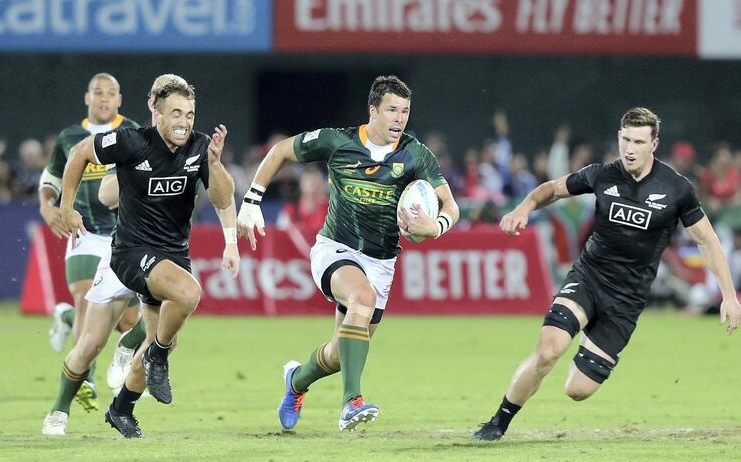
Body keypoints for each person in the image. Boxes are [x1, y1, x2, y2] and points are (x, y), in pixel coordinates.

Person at [471, 107, 741, 442]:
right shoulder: (602, 174)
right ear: (619, 138)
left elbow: (708, 241)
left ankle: (588, 344)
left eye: (639, 142)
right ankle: (497, 422)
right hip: (589, 277)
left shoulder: (677, 189)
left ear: (653, 144)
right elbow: (553, 189)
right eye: (626, 139)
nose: (630, 148)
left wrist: (729, 296)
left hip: (627, 299)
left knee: (577, 390)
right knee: (549, 350)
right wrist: (523, 208)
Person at [237, 75, 460, 433]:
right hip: (335, 249)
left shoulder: (417, 155)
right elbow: (279, 151)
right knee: (362, 298)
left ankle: (296, 381)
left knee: (340, 354)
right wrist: (251, 200)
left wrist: (436, 226)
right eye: (391, 110)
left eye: (405, 111)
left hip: (382, 262)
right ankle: (351, 403)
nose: (399, 118)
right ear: (372, 110)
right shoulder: (337, 141)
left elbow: (450, 204)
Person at [57, 74, 239, 438]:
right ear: (154, 111)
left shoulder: (200, 147)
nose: (184, 122)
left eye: (189, 114)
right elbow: (79, 153)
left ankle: (121, 408)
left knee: (163, 341)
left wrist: (216, 167)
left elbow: (222, 197)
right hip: (131, 252)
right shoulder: (130, 141)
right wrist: (66, 205)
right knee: (188, 294)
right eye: (175, 113)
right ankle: (150, 356)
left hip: (173, 255)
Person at [39, 73, 145, 413]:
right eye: (97, 93)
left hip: (123, 238)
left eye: (110, 93)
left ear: (119, 100)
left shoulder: (133, 132)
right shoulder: (70, 137)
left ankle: (68, 318)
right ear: (87, 98)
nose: (103, 98)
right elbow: (52, 175)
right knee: (87, 297)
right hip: (83, 233)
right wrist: (47, 204)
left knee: (127, 323)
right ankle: (85, 378)